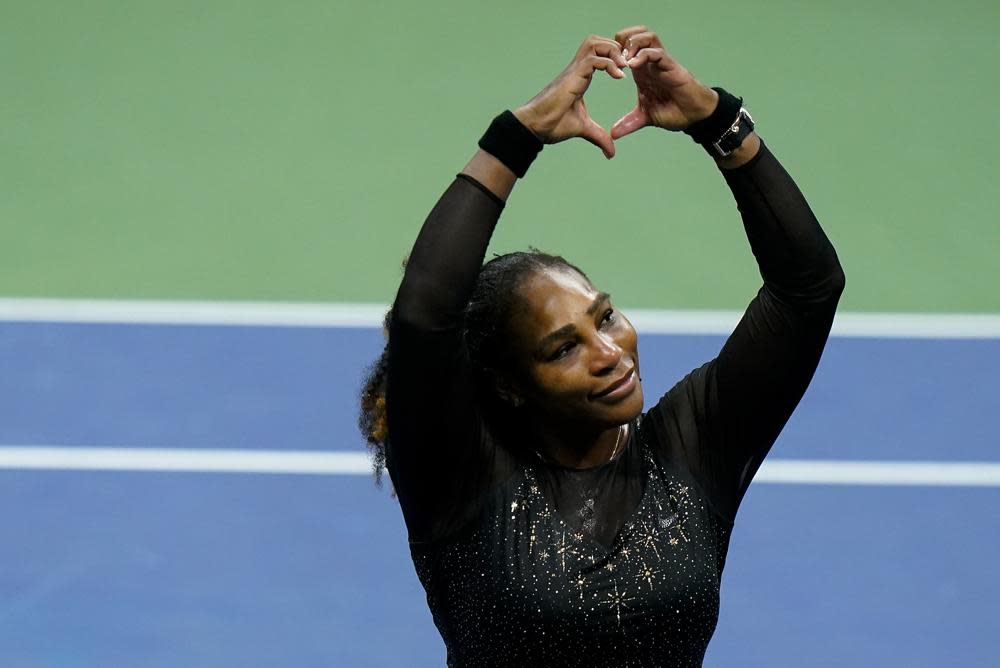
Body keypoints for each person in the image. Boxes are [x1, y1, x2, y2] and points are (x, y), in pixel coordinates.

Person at [359, 25, 845, 667]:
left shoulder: (693, 445)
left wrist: (718, 121)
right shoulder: (460, 476)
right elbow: (424, 316)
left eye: (605, 317)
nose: (609, 352)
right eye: (563, 349)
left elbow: (808, 290)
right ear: (508, 383)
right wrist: (517, 136)